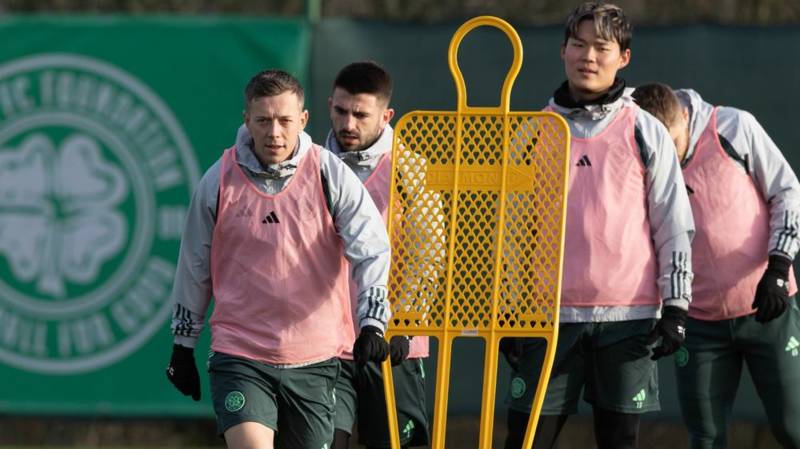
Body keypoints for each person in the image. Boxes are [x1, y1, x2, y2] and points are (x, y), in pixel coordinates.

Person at [164, 69, 393, 449]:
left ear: (302, 120)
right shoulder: (218, 182)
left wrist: (371, 323)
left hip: (316, 358)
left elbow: (370, 248)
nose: (274, 133)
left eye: (285, 121)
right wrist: (182, 344)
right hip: (241, 354)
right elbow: (194, 265)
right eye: (264, 120)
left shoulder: (328, 174)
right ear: (246, 120)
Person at [502, 3, 695, 449]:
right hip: (546, 321)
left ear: (623, 57)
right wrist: (509, 310)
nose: (588, 56)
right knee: (524, 440)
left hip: (629, 321)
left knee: (619, 441)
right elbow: (511, 235)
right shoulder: (532, 134)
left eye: (601, 47)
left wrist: (677, 308)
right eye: (579, 44)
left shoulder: (646, 130)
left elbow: (674, 224)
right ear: (563, 51)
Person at [632, 83, 800, 449]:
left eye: (671, 142)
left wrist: (778, 266)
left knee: (793, 427)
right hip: (698, 323)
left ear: (684, 117)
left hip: (767, 307)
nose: (666, 158)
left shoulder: (734, 128)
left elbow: (787, 191)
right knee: (705, 437)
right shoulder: (640, 154)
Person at [324, 61, 430, 449]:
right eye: (340, 111)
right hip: (326, 345)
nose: (348, 124)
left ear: (386, 116)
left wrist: (403, 322)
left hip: (392, 345)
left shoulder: (411, 170)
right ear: (328, 106)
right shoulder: (312, 166)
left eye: (361, 114)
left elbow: (428, 255)